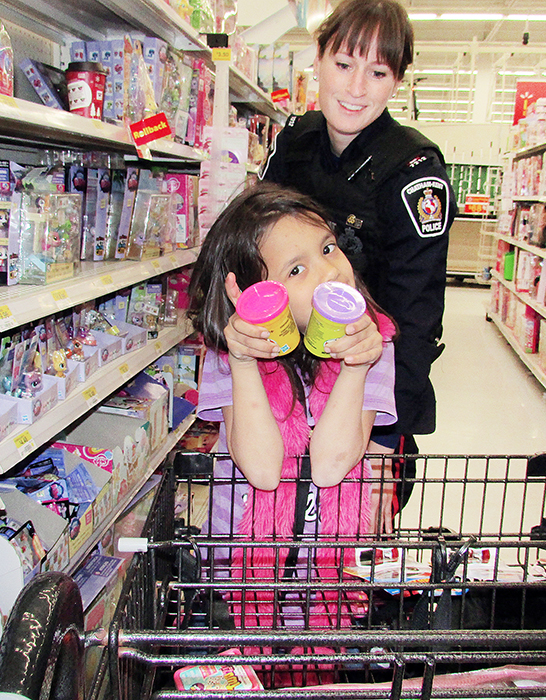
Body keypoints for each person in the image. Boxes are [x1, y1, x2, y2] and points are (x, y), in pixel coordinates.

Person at [260, 0, 457, 531]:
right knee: (272, 528)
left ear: (396, 81)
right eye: (344, 64)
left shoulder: (412, 170)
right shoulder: (294, 144)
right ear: (318, 58)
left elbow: (417, 314)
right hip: (286, 371)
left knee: (348, 542)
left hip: (365, 382)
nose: (355, 88)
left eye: (378, 73)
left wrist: (388, 435)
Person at [187, 185, 396, 674]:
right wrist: (241, 359)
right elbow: (260, 469)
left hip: (327, 573)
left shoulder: (373, 345)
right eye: (297, 269)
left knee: (316, 675)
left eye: (328, 248)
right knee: (244, 674)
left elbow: (330, 465)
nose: (330, 271)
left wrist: (353, 366)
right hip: (241, 567)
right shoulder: (227, 353)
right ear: (254, 292)